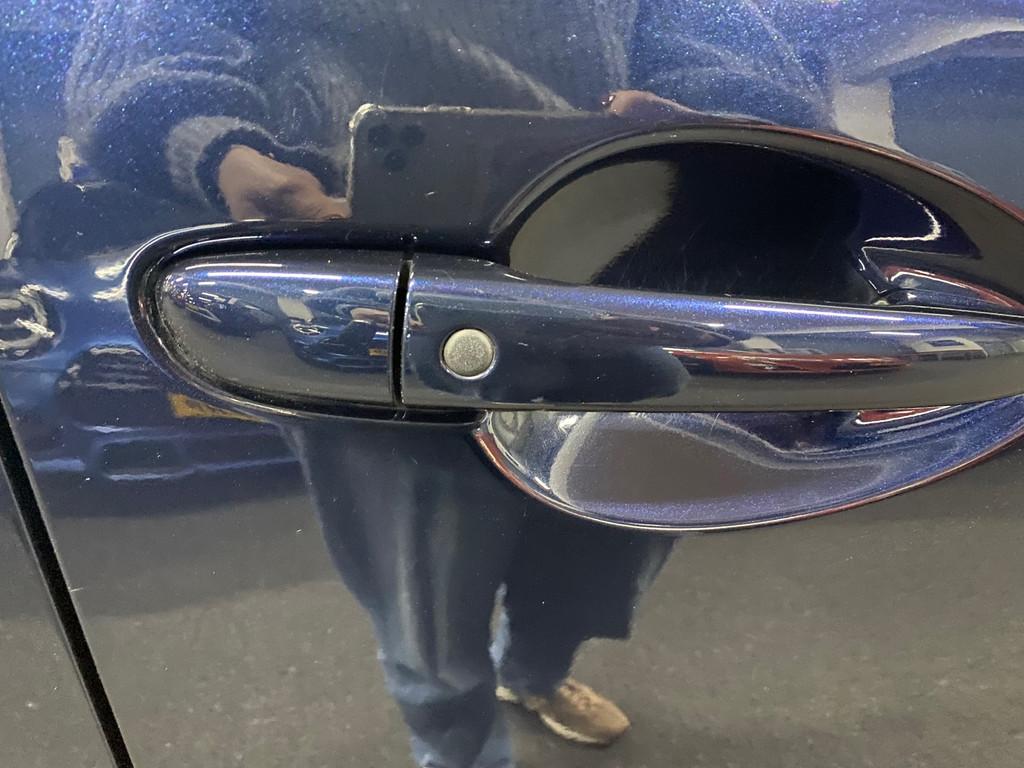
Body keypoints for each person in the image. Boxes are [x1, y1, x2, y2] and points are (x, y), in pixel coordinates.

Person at [65, 2, 826, 766]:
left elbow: (712, 40)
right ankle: (458, 752)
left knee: (602, 553)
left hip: (608, 289)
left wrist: (729, 130)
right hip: (378, 304)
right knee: (426, 607)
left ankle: (532, 673)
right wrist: (219, 148)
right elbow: (152, 36)